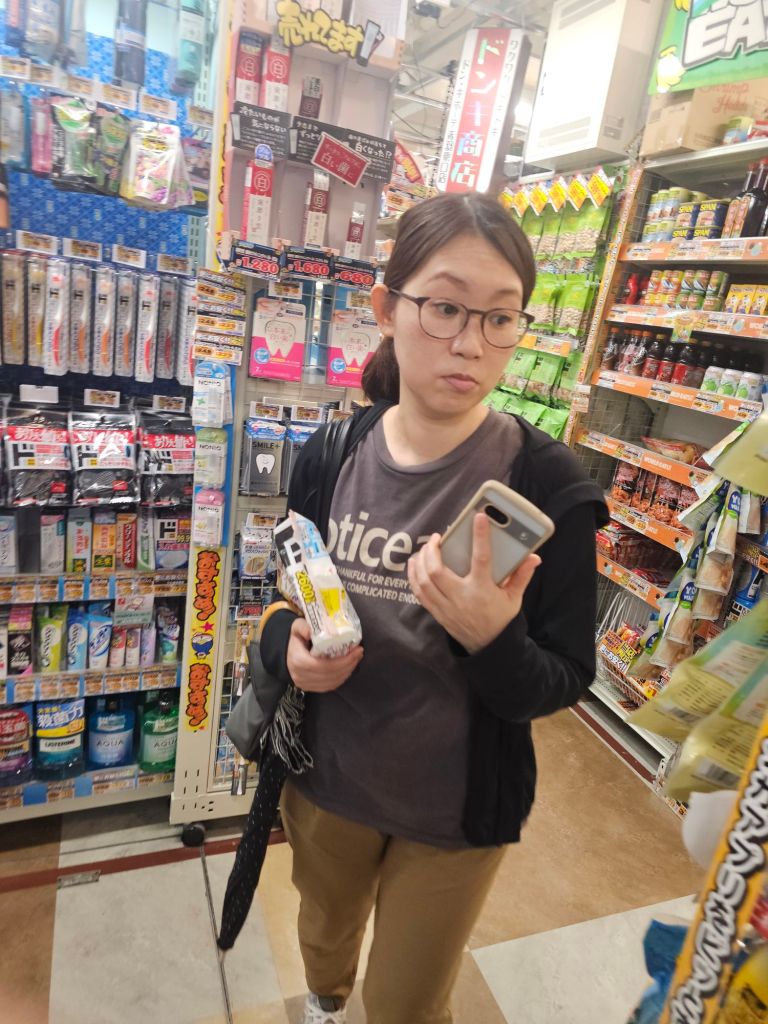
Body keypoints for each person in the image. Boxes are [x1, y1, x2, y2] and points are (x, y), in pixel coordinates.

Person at [260, 192, 608, 1024]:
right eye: (445, 307)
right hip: (326, 782)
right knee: (323, 936)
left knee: (409, 1001)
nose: (471, 344)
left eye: (500, 318)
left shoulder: (548, 485)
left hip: (454, 812)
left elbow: (566, 676)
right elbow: (283, 595)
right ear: (387, 309)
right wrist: (288, 651)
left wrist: (493, 638)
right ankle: (324, 1003)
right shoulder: (331, 453)